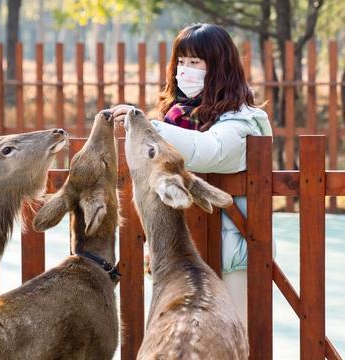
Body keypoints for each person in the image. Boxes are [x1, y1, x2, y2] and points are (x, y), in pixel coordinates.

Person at [110, 23, 273, 327]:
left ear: (219, 67)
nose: (185, 70)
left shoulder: (245, 120)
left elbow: (207, 150)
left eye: (195, 62)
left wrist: (147, 127)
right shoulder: (175, 117)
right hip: (178, 254)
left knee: (231, 337)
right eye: (181, 62)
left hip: (231, 257)